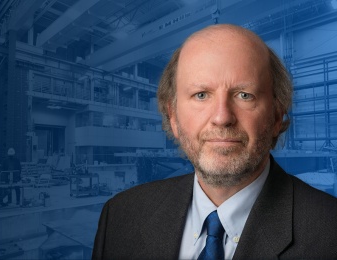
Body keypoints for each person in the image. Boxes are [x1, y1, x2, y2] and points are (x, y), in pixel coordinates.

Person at [92, 24, 337, 259]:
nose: (222, 117)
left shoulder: (330, 234)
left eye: (244, 95)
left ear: (276, 116)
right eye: (201, 95)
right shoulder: (120, 216)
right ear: (173, 118)